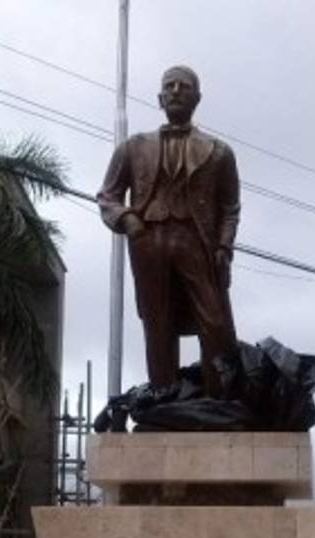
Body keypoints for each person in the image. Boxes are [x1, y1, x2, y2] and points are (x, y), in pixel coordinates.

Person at [97, 65, 241, 396]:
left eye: (184, 86)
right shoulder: (133, 147)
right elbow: (107, 196)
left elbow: (230, 208)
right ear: (160, 98)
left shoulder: (219, 152)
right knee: (157, 321)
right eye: (169, 86)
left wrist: (224, 247)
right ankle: (164, 395)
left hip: (197, 242)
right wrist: (127, 219)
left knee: (214, 321)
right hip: (148, 241)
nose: (176, 90)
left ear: (197, 98)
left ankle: (218, 397)